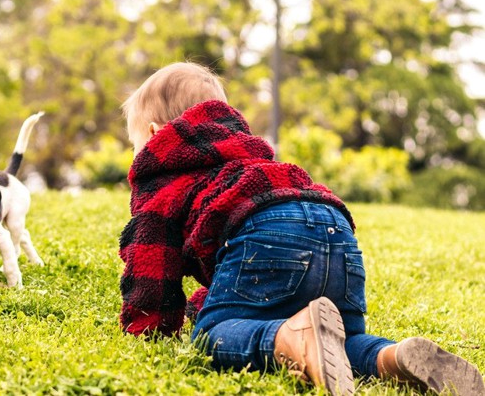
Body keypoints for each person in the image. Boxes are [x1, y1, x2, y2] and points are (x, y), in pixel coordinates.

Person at [118, 62, 484, 395]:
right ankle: (392, 357)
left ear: (154, 134)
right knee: (344, 339)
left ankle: (288, 338)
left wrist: (150, 327)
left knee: (212, 336)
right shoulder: (247, 155)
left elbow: (150, 264)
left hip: (263, 231)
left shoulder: (163, 170)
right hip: (334, 227)